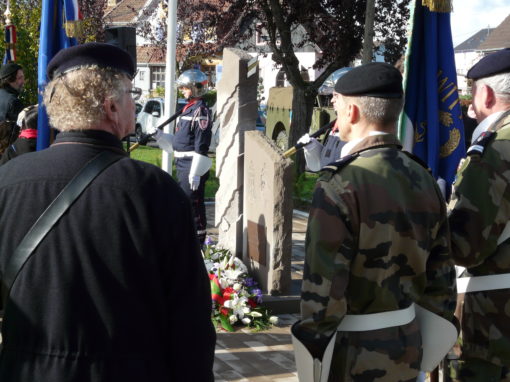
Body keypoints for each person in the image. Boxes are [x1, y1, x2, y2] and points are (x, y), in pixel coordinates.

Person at [0, 42, 215, 381]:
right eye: (132, 93)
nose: (136, 102)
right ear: (112, 106)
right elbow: (190, 323)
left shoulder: (6, 180)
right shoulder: (154, 191)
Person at [292, 62, 458, 381]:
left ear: (352, 112)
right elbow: (442, 280)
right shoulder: (423, 177)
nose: (334, 114)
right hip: (409, 348)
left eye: (335, 105)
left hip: (351, 355)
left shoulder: (339, 183)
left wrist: (313, 350)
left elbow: (322, 295)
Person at [448, 48, 510, 381]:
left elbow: (464, 247)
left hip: (493, 321)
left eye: (472, 90)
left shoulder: (494, 150)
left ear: (485, 93)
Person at [154, 69, 212, 244]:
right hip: (181, 162)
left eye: (185, 88)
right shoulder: (188, 109)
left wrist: (195, 172)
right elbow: (179, 142)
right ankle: (187, 237)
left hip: (191, 164)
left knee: (193, 204)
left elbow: (201, 145)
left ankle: (199, 242)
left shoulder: (200, 111)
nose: (182, 91)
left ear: (195, 88)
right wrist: (159, 136)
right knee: (184, 202)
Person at [297, 67, 352, 171]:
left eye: (336, 95)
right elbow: (320, 166)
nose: (332, 100)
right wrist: (312, 148)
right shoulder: (334, 131)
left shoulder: (357, 134)